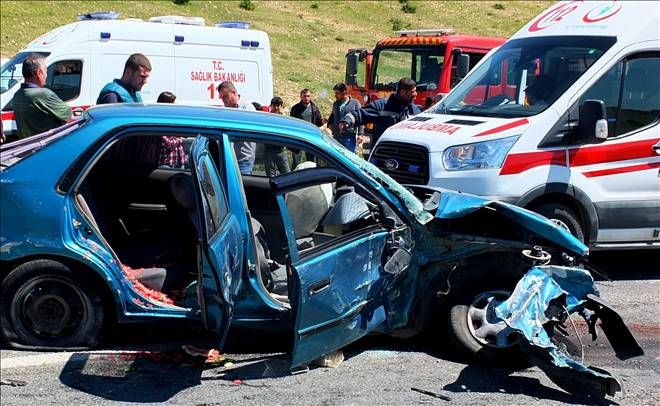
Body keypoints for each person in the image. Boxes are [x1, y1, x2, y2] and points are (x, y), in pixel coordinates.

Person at [339, 78, 421, 148]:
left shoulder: (416, 111)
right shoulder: (381, 106)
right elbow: (360, 114)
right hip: (383, 154)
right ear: (403, 92)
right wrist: (347, 121)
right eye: (413, 92)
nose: (415, 94)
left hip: (407, 155)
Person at [12, 54, 71, 139]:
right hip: (48, 147)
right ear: (39, 73)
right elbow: (69, 116)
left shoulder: (17, 95)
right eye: (46, 71)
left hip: (29, 148)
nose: (46, 75)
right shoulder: (44, 94)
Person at [218, 81, 256, 175]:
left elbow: (251, 132)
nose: (223, 100)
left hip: (243, 159)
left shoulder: (247, 109)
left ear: (234, 93)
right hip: (229, 158)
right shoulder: (227, 110)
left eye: (225, 96)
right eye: (222, 97)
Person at [289, 88, 323, 166]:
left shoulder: (314, 109)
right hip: (298, 137)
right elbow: (292, 123)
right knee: (296, 161)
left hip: (310, 137)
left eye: (308, 96)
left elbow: (318, 123)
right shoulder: (295, 108)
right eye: (304, 96)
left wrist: (323, 121)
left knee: (311, 161)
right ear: (300, 97)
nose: (306, 98)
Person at [328, 83, 363, 153]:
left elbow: (361, 119)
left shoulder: (355, 103)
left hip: (349, 137)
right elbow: (332, 116)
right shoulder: (336, 104)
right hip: (336, 136)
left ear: (344, 92)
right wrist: (329, 124)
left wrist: (360, 134)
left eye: (337, 93)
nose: (335, 95)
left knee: (349, 158)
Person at [156, 91, 187, 169]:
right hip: (166, 163)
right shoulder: (158, 121)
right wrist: (180, 139)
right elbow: (168, 143)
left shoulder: (172, 119)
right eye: (172, 104)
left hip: (179, 161)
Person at [263, 97, 291, 177]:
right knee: (271, 176)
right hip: (268, 150)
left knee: (287, 175)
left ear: (281, 106)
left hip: (280, 151)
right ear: (270, 106)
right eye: (274, 105)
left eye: (278, 105)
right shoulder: (266, 118)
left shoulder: (284, 119)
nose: (276, 108)